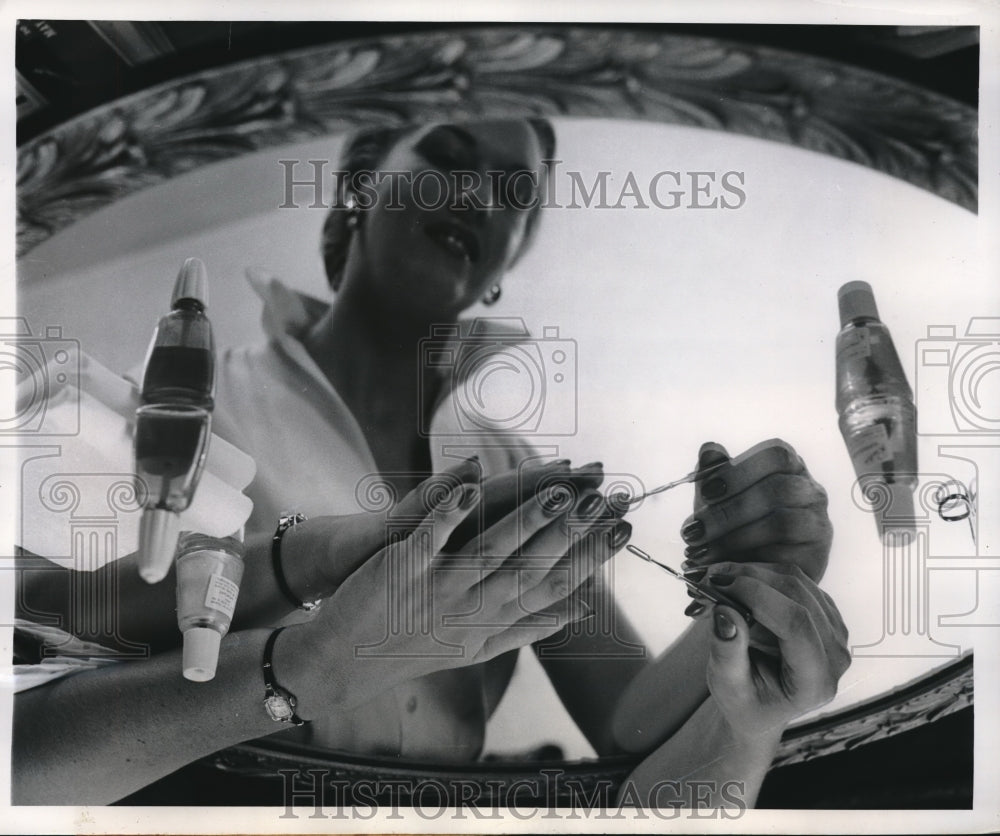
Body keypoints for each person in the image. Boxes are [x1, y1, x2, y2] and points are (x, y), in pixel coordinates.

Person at [13, 118, 849, 808]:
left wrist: (756, 591)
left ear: (506, 263)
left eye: (514, 193)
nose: (481, 195)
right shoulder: (179, 404)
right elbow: (26, 739)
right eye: (448, 156)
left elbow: (632, 729)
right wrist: (311, 660)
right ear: (360, 185)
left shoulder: (512, 463)